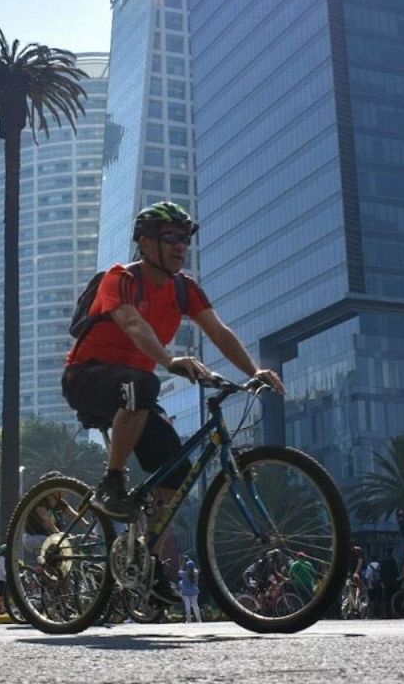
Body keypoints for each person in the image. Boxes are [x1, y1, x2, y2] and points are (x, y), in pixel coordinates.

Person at [62, 202, 284, 604]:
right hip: (87, 377)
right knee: (143, 384)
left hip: (135, 390)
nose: (181, 247)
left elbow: (218, 330)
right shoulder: (121, 279)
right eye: (170, 239)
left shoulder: (185, 288)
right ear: (146, 243)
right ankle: (113, 482)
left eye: (185, 239)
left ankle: (144, 560)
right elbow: (131, 323)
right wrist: (169, 361)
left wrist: (253, 371)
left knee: (175, 471)